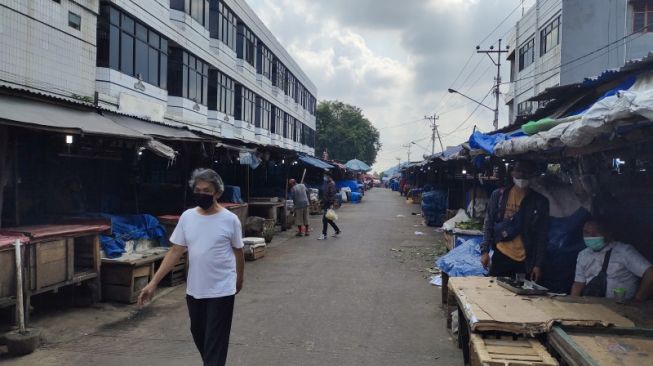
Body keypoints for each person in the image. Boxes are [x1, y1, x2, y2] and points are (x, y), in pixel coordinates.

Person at [138, 168, 245, 366]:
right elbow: (175, 251)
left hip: (222, 289)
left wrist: (239, 279)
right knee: (198, 333)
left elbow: (239, 253)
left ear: (218, 193)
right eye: (198, 190)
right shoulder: (187, 217)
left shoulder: (230, 220)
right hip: (195, 289)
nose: (201, 194)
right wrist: (153, 283)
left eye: (207, 191)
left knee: (215, 340)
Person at [480, 160, 549, 281]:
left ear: (532, 174)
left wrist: (538, 265)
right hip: (501, 255)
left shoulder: (540, 202)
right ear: (512, 173)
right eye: (518, 171)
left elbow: (541, 235)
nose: (522, 175)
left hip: (525, 259)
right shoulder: (499, 195)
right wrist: (484, 251)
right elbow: (489, 222)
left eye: (526, 172)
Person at [571, 218, 653, 301]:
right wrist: (573, 303)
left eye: (596, 232)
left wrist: (638, 299)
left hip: (622, 306)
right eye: (586, 232)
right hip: (592, 305)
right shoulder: (583, 255)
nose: (591, 236)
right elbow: (579, 283)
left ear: (608, 233)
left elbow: (650, 274)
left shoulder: (624, 251)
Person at [318, 171, 341, 240]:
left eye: (325, 176)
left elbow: (333, 195)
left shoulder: (332, 184)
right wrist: (322, 201)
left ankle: (324, 234)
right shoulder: (326, 183)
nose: (324, 177)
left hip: (328, 204)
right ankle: (337, 230)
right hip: (325, 203)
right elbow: (325, 193)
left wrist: (331, 204)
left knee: (324, 219)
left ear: (329, 176)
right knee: (328, 219)